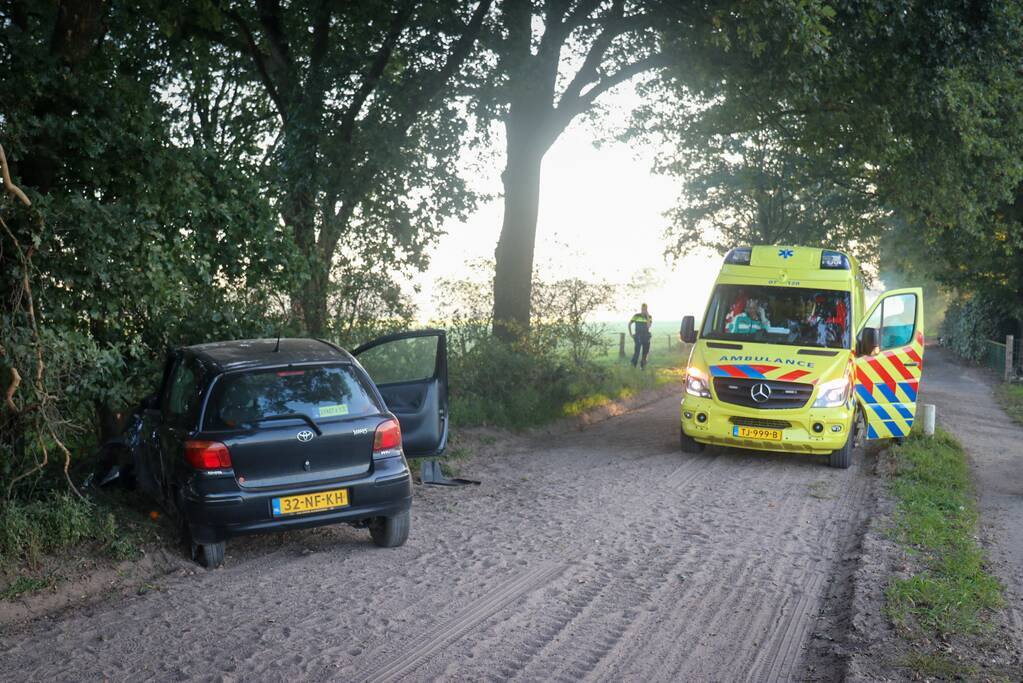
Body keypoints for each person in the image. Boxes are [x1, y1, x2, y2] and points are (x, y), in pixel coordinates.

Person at [629, 303, 653, 369]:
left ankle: (643, 367)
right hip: (638, 336)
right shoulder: (636, 316)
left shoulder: (649, 317)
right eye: (643, 309)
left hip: (646, 337)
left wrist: (647, 315)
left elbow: (649, 326)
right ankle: (632, 366)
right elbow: (629, 324)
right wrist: (631, 334)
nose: (644, 310)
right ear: (641, 308)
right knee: (637, 352)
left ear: (647, 309)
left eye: (645, 309)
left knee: (645, 353)